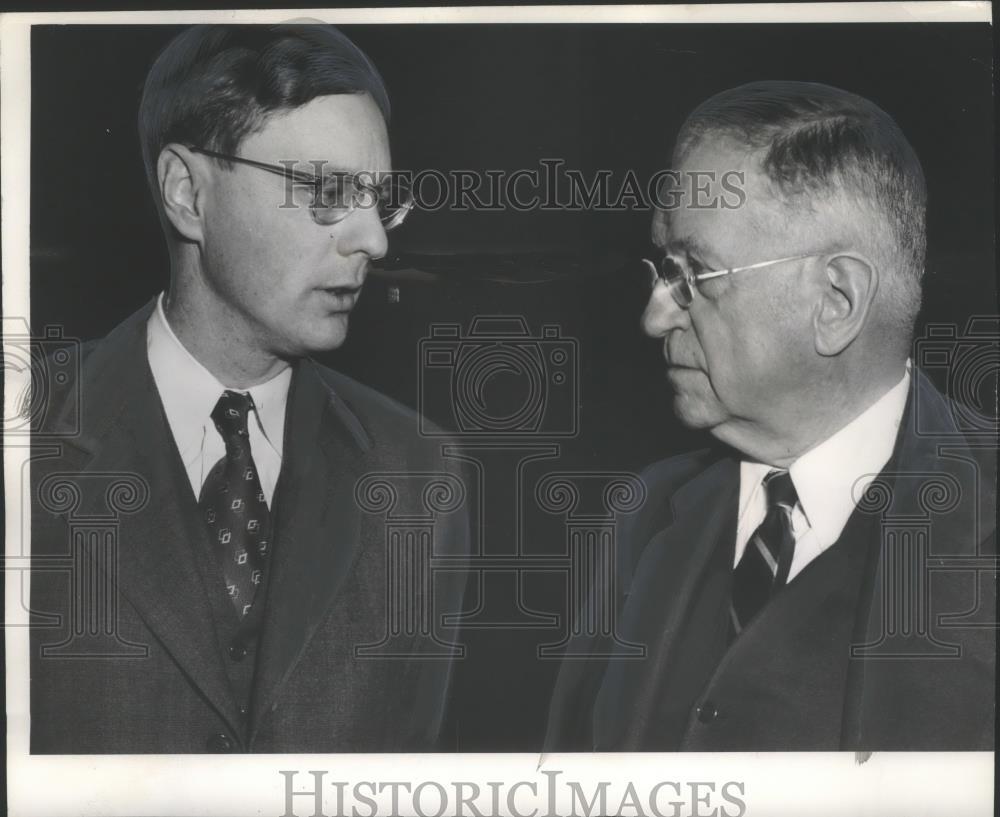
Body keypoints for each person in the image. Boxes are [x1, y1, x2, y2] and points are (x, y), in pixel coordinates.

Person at [30, 23, 468, 753]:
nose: (375, 240)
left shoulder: (420, 476)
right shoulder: (23, 434)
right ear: (187, 193)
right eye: (328, 190)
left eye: (380, 199)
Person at [544, 80, 996, 751]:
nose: (654, 316)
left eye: (693, 274)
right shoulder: (646, 511)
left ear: (836, 300)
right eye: (662, 268)